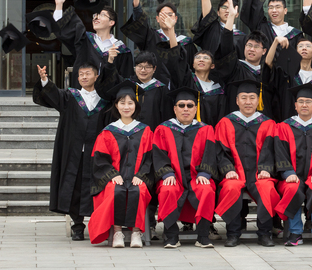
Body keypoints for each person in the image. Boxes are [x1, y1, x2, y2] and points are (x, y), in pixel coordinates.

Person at [34, 62, 112, 240]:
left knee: (96, 187)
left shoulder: (105, 101)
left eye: (88, 73)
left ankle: (99, 223)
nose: (84, 77)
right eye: (81, 74)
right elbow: (53, 95)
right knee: (75, 187)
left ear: (96, 76)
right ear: (77, 78)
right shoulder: (70, 97)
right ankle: (77, 225)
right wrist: (45, 80)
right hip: (74, 152)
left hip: (96, 153)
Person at [214, 80, 279, 247]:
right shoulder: (225, 123)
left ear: (258, 100)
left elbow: (273, 150)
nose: (248, 102)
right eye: (244, 98)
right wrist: (228, 169)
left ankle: (264, 233)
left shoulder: (268, 124)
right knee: (231, 187)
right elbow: (219, 151)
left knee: (267, 188)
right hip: (235, 173)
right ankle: (233, 234)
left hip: (259, 174)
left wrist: (266, 169)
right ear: (237, 101)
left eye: (252, 98)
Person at [88, 82, 154, 247]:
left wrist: (141, 175)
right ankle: (117, 232)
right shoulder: (108, 131)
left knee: (139, 189)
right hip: (116, 176)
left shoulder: (145, 131)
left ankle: (136, 232)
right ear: (116, 106)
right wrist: (112, 174)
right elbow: (99, 159)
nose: (126, 107)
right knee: (114, 189)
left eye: (130, 103)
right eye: (122, 103)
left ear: (135, 105)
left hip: (137, 176)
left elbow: (150, 158)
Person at [153, 88, 218, 249]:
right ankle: (171, 235)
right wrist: (167, 173)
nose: (186, 109)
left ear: (196, 108)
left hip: (197, 175)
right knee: (168, 190)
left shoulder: (205, 129)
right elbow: (159, 155)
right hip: (173, 175)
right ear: (175, 109)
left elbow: (210, 154)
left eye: (190, 105)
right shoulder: (163, 129)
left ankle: (203, 235)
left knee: (206, 190)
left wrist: (205, 172)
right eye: (181, 105)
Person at [274, 83, 312, 247]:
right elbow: (280, 153)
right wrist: (288, 173)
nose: (304, 105)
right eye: (301, 101)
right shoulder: (283, 127)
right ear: (295, 105)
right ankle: (295, 232)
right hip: (292, 176)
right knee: (292, 188)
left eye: (308, 102)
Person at [52, 0, 133, 89]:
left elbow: (126, 81)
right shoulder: (84, 40)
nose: (96, 18)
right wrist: (59, 5)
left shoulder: (122, 51)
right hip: (84, 95)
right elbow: (62, 31)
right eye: (95, 15)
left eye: (102, 15)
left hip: (109, 97)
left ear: (111, 22)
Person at [121, 0, 196, 85]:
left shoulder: (186, 43)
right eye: (162, 15)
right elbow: (141, 24)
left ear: (176, 19)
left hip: (179, 89)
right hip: (155, 89)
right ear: (157, 19)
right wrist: (136, 2)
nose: (166, 18)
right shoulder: (151, 37)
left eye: (169, 15)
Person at [241, 0, 305, 77]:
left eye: (277, 7)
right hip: (263, 79)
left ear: (285, 10)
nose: (274, 10)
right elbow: (252, 7)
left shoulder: (296, 35)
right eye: (270, 7)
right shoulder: (262, 28)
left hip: (286, 81)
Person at [96, 51, 169, 130]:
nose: (143, 70)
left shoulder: (161, 89)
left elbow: (166, 116)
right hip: (125, 133)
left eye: (147, 67)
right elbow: (108, 84)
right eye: (139, 66)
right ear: (135, 67)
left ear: (154, 68)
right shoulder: (126, 84)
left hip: (151, 133)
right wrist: (110, 62)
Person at [265, 34, 312, 122]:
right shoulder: (288, 74)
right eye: (300, 46)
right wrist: (275, 42)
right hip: (289, 124)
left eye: (308, 46)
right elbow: (268, 63)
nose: (304, 48)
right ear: (296, 51)